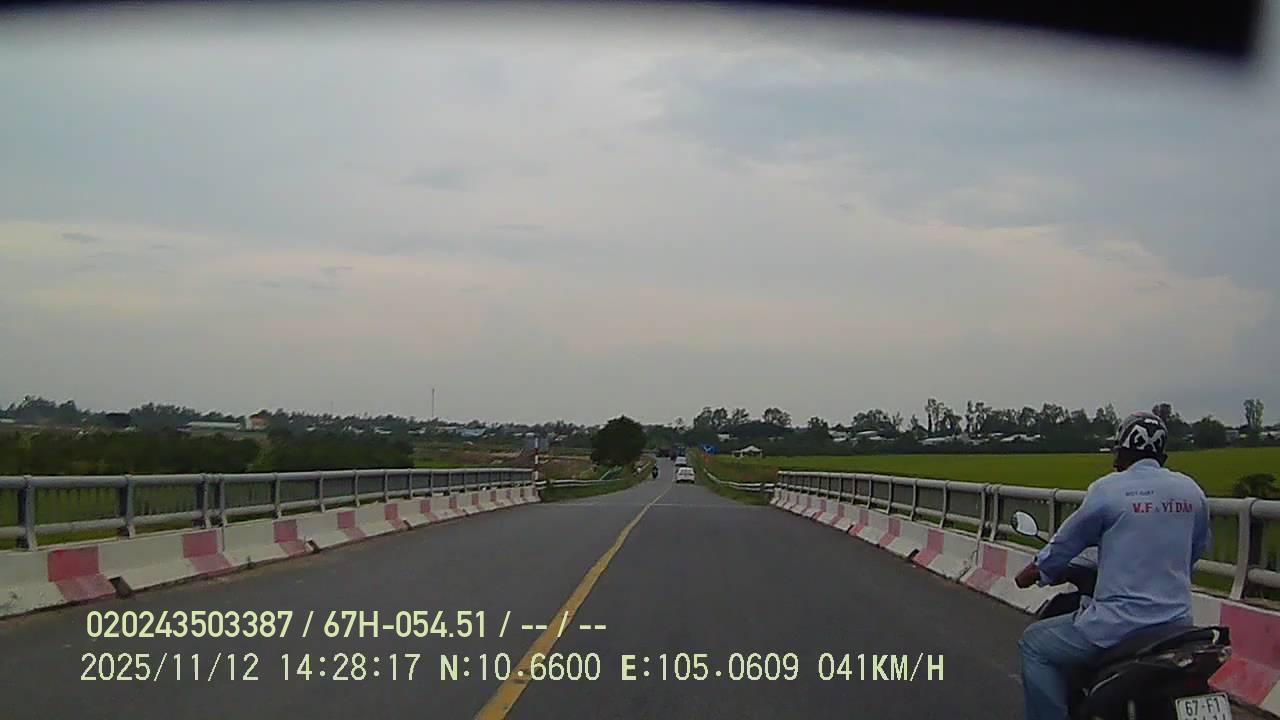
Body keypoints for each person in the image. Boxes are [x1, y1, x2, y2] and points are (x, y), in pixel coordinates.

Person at [1014, 411, 1210, 720]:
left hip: (1119, 624)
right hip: (1176, 624)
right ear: (1162, 455)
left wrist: (1035, 571)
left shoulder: (1108, 490)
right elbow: (1195, 550)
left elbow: (1065, 543)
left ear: (1121, 452)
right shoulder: (1191, 491)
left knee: (1035, 645)